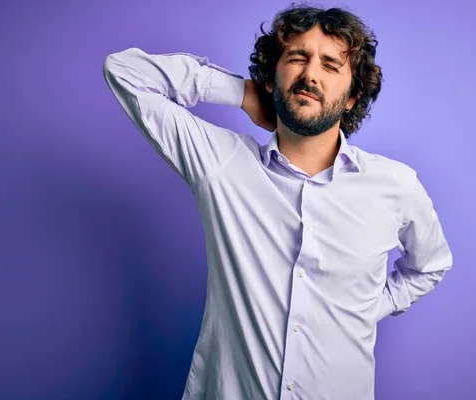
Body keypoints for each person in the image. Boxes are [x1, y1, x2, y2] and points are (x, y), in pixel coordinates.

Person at [103, 4, 453, 400]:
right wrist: (241, 93)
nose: (310, 74)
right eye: (297, 57)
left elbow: (431, 266)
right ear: (272, 77)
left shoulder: (395, 186)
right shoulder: (220, 163)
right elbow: (124, 71)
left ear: (354, 97)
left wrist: (370, 308)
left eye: (331, 65)